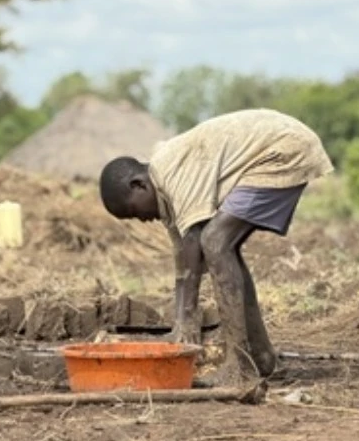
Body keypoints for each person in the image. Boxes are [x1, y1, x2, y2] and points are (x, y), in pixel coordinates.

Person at [98, 109, 334, 387]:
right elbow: (184, 259)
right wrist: (180, 323)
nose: (142, 220)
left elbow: (195, 245)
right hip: (276, 146)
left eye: (134, 212)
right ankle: (261, 357)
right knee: (223, 246)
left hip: (283, 148)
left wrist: (188, 320)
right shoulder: (164, 191)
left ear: (138, 185)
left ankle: (239, 366)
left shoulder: (171, 174)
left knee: (215, 242)